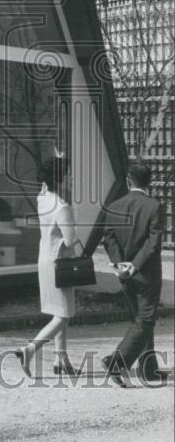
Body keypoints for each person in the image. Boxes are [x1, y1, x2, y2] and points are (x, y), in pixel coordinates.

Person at [83, 161, 167, 386]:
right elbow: (154, 242)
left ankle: (149, 369)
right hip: (146, 273)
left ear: (129, 180)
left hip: (124, 272)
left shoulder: (115, 205)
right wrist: (136, 265)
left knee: (140, 320)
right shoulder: (154, 206)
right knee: (145, 320)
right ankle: (116, 363)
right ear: (149, 181)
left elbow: (108, 237)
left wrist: (121, 264)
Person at [15, 157, 82, 378]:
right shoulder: (63, 207)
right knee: (63, 315)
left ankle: (60, 357)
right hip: (60, 263)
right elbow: (71, 240)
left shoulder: (43, 198)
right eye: (68, 174)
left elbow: (45, 186)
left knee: (58, 310)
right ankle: (30, 349)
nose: (72, 177)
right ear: (60, 179)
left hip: (45, 259)